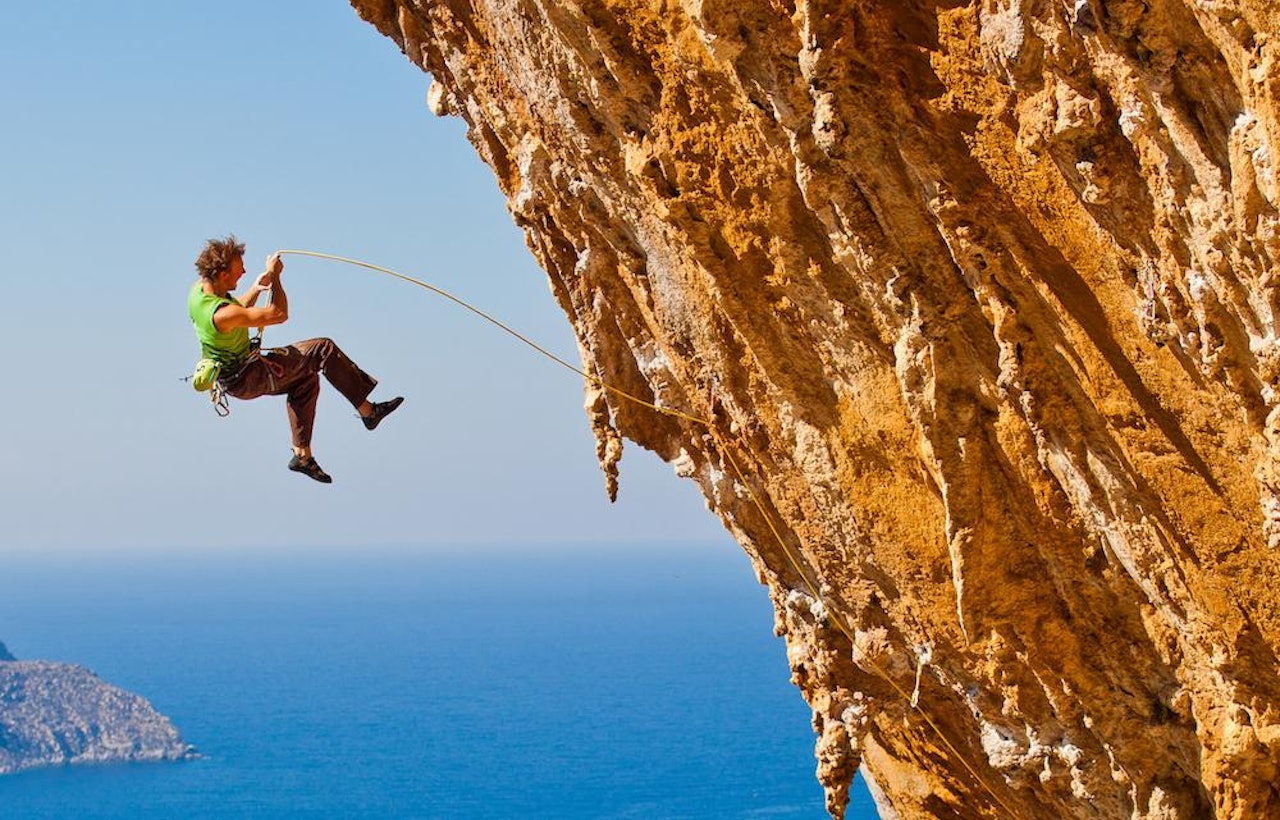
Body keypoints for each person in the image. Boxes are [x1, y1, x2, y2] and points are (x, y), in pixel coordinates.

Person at [188, 235, 403, 483]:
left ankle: (303, 456)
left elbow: (238, 313)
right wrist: (277, 276)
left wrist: (257, 288)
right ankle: (368, 412)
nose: (244, 271)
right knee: (322, 349)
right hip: (248, 378)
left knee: (306, 380)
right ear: (223, 274)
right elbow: (278, 314)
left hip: (238, 376)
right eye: (239, 269)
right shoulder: (222, 315)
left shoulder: (200, 292)